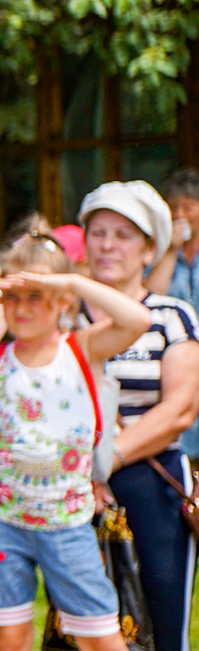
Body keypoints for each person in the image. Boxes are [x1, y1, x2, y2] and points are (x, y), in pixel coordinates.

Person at [0, 228, 163, 651]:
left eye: (37, 296)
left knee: (103, 638)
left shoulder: (81, 348)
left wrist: (70, 278)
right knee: (9, 640)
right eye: (14, 296)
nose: (22, 307)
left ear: (61, 300)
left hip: (67, 519)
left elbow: (137, 320)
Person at [70, 180, 197, 651]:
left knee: (165, 633)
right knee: (87, 630)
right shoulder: (59, 310)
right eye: (98, 232)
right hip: (72, 491)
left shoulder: (173, 314)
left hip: (152, 485)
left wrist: (111, 457)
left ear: (150, 249)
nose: (108, 245)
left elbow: (179, 409)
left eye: (123, 235)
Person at [147, 167, 199, 455]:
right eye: (174, 207)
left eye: (189, 207)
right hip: (172, 360)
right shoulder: (158, 255)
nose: (180, 214)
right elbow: (152, 297)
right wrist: (169, 251)